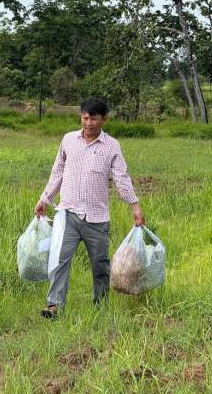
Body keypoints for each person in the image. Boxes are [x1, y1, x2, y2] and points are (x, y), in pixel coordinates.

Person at [34, 98, 145, 318]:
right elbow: (57, 172)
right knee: (59, 260)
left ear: (104, 119)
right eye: (85, 118)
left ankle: (100, 306)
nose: (88, 123)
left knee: (100, 265)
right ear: (81, 117)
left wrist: (135, 206)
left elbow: (121, 177)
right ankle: (54, 305)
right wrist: (44, 199)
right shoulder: (68, 140)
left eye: (93, 118)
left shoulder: (111, 145)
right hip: (68, 214)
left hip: (97, 218)